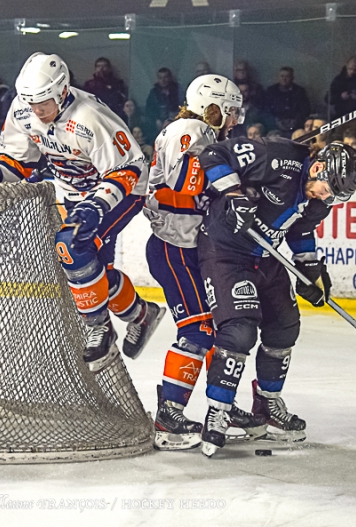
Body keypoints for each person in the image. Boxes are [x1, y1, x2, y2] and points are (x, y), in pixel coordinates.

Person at [0, 52, 165, 365]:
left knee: (71, 247)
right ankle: (142, 314)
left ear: (62, 92)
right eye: (30, 103)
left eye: (43, 103)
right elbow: (17, 161)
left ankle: (99, 329)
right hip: (74, 194)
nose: (36, 110)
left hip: (122, 191)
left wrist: (97, 204)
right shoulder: (25, 109)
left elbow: (130, 167)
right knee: (94, 272)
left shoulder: (89, 117)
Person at [196, 138, 356, 456]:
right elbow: (214, 153)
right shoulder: (278, 159)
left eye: (335, 198)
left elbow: (301, 231)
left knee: (285, 325)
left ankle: (268, 404)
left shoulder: (320, 200)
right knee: (240, 330)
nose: (326, 199)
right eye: (327, 190)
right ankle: (219, 411)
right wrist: (233, 195)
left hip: (265, 255)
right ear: (317, 168)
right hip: (225, 251)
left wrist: (310, 270)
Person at [144, 74, 263, 451]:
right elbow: (184, 183)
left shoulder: (204, 134)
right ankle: (169, 416)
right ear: (210, 107)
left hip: (188, 246)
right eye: (228, 112)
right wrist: (225, 174)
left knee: (212, 326)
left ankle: (219, 404)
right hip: (172, 247)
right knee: (197, 332)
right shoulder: (189, 128)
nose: (232, 120)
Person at [264, 66, 310, 133]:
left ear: (292, 78)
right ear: (278, 77)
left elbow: (305, 110)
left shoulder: (299, 91)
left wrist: (295, 122)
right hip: (275, 126)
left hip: (295, 126)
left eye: (287, 76)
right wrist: (275, 121)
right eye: (282, 76)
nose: (284, 79)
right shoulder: (271, 91)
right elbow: (266, 110)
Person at [145, 67, 182, 136]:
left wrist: (171, 119)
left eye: (165, 77)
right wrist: (156, 120)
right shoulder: (154, 93)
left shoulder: (177, 90)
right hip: (157, 126)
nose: (163, 80)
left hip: (175, 124)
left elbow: (182, 106)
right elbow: (148, 109)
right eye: (160, 78)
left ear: (170, 77)